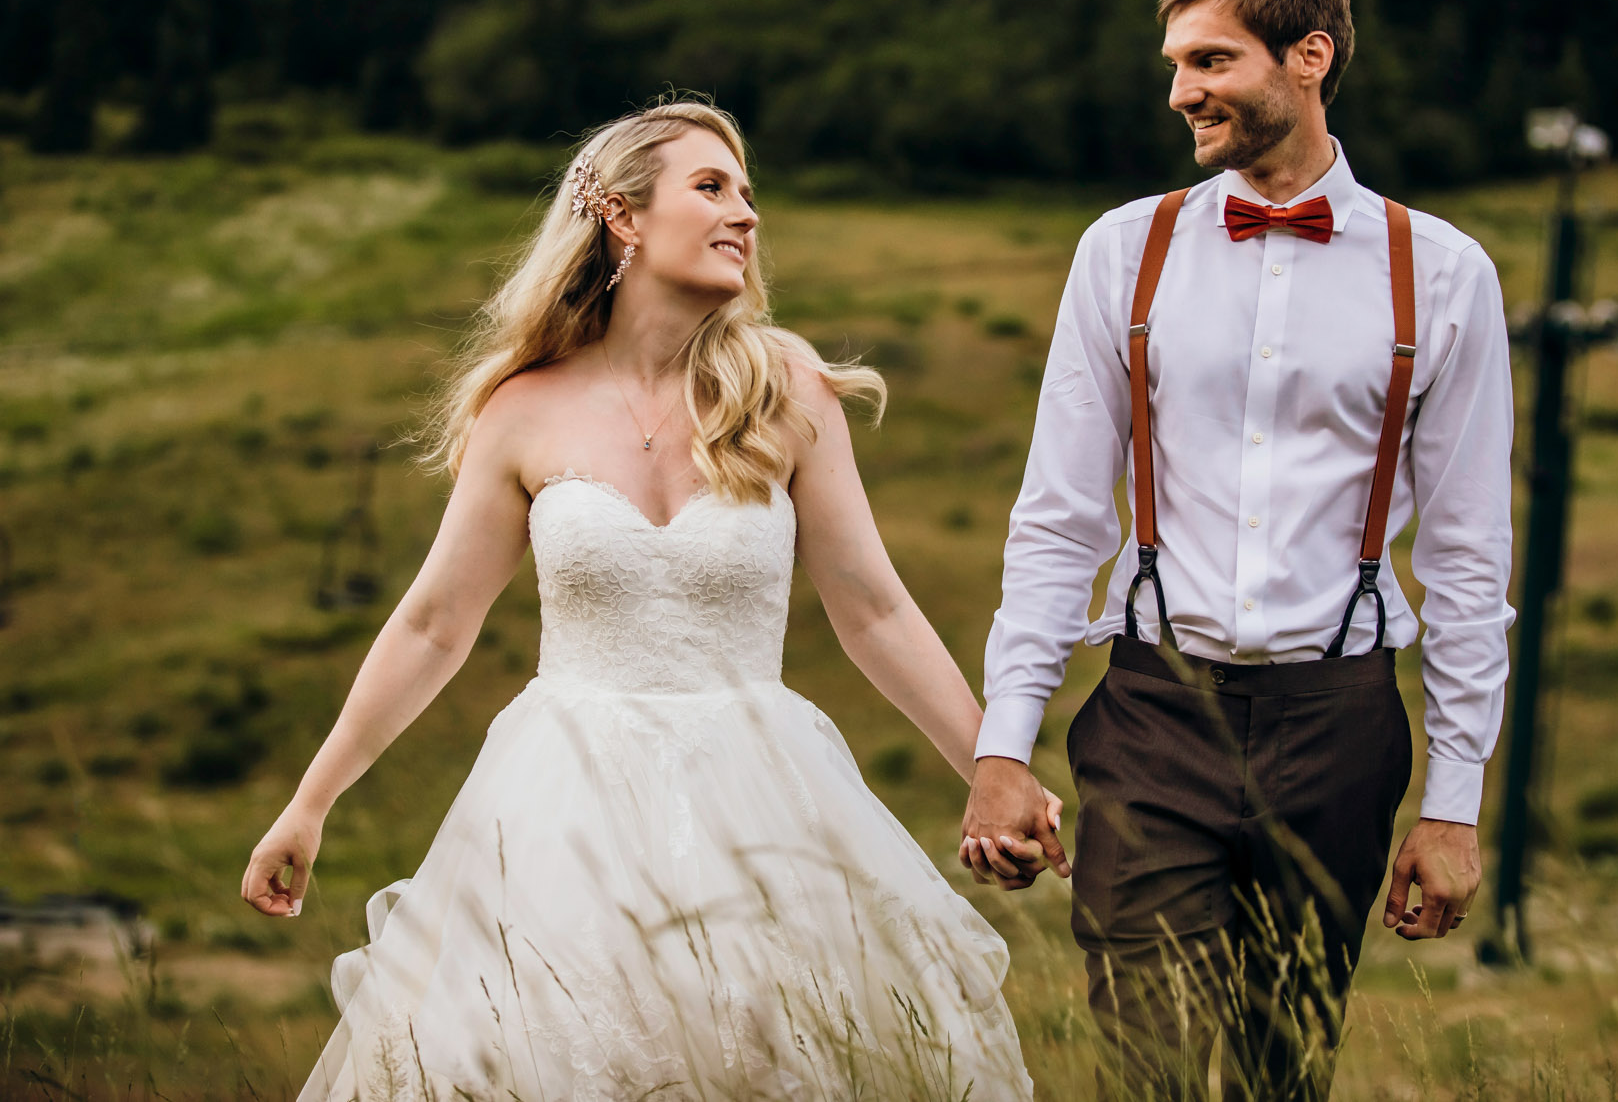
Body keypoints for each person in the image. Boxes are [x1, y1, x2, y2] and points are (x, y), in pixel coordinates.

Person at [241, 99, 1050, 1101]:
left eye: (748, 193)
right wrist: (309, 803)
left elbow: (871, 608)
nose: (744, 213)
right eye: (711, 187)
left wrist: (992, 768)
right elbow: (432, 622)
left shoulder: (787, 388)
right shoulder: (522, 408)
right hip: (558, 810)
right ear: (622, 216)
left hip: (766, 800)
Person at [958, 0, 1517, 1099]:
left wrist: (1452, 803)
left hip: (1339, 721)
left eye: (1209, 61)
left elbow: (1466, 558)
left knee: (1282, 1070)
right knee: (1144, 1061)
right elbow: (1060, 516)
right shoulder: (1123, 251)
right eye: (1174, 63)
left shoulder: (1445, 273)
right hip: (1156, 711)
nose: (1179, 92)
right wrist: (1002, 744)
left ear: (1306, 56)